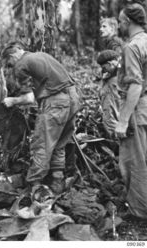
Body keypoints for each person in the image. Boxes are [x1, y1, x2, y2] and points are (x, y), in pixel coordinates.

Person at [1, 42, 80, 195]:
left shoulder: (21, 64)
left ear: (13, 55)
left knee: (41, 144)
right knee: (59, 142)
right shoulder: (41, 55)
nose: (10, 67)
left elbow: (29, 98)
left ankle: (35, 185)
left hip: (56, 102)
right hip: (73, 98)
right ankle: (58, 179)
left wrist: (12, 101)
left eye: (8, 64)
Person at [116, 3, 147, 219]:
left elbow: (135, 85)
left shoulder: (131, 47)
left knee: (136, 161)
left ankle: (139, 212)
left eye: (119, 21)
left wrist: (123, 120)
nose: (119, 25)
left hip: (138, 108)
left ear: (128, 21)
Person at [96, 50, 121, 138]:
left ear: (110, 63)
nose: (103, 70)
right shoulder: (123, 70)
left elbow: (109, 115)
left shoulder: (111, 85)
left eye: (104, 67)